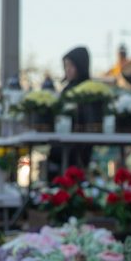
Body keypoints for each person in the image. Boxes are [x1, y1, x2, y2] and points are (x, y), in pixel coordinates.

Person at [46, 46, 92, 179]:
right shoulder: (67, 89)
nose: (68, 70)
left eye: (71, 65)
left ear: (81, 66)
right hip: (60, 144)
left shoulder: (87, 90)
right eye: (66, 66)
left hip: (78, 147)